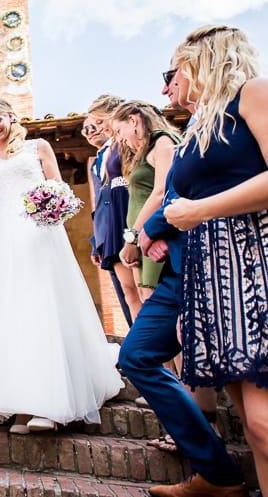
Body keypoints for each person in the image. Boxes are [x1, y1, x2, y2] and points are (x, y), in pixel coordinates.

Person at [0, 97, 122, 433]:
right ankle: (18, 404)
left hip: (39, 238)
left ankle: (48, 404)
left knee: (41, 311)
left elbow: (61, 191)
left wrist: (51, 208)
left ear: (11, 116)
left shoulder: (38, 147)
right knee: (11, 317)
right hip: (3, 245)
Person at [120, 58, 245, 497]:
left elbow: (176, 193)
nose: (166, 89)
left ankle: (220, 472)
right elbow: (175, 193)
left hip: (213, 265)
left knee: (246, 398)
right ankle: (216, 469)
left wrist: (148, 231)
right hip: (178, 268)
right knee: (135, 355)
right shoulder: (191, 131)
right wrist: (153, 232)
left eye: (172, 77)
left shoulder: (225, 123)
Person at [164, 25, 268, 493]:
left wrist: (199, 210)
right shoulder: (201, 124)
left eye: (179, 67)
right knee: (252, 427)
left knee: (265, 423)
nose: (176, 79)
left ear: (207, 58)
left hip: (253, 261)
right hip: (211, 271)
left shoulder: (254, 93)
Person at [111, 101, 181, 310]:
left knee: (155, 300)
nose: (119, 138)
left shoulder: (163, 141)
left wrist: (132, 238)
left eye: (118, 130)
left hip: (151, 235)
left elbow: (161, 192)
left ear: (133, 120)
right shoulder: (145, 150)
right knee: (145, 297)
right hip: (141, 239)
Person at [87, 98, 142, 321]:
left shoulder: (126, 144)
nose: (94, 129)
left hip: (128, 222)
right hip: (107, 233)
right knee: (128, 294)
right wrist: (96, 242)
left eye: (99, 122)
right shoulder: (98, 160)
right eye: (89, 127)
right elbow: (100, 203)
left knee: (141, 289)